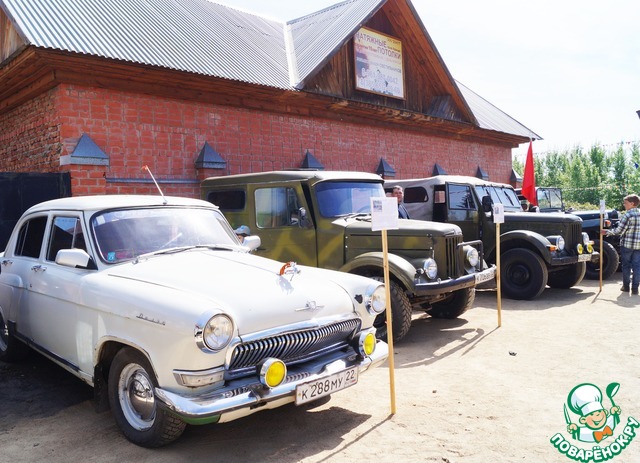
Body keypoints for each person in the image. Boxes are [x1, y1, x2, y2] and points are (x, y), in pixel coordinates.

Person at [602, 194, 640, 294]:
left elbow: (619, 231)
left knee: (626, 266)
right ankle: (635, 288)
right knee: (637, 266)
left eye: (626, 203)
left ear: (632, 203)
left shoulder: (627, 215)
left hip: (627, 245)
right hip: (639, 245)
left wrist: (606, 232)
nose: (624, 205)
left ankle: (626, 287)